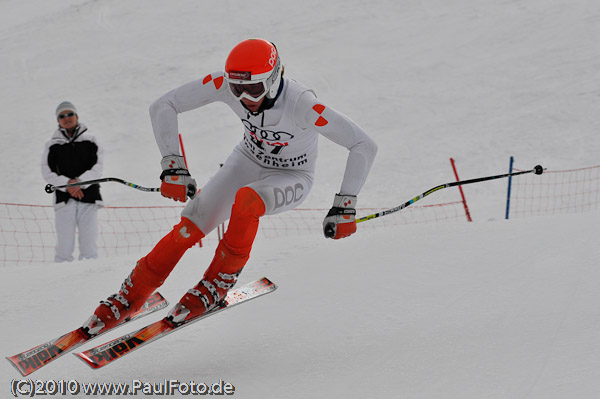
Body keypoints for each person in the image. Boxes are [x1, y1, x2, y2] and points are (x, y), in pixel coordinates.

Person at [84, 38, 377, 333]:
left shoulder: (303, 105)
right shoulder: (226, 84)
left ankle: (218, 281)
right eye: (237, 90)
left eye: (254, 89)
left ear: (274, 79)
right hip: (247, 160)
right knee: (190, 225)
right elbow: (164, 105)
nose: (245, 97)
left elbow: (363, 144)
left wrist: (345, 205)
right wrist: (173, 165)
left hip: (292, 175)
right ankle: (131, 295)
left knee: (247, 201)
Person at [42, 101, 104, 262]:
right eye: (62, 116)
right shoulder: (52, 145)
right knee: (64, 244)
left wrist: (79, 183)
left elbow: (97, 168)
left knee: (89, 243)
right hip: (64, 199)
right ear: (58, 120)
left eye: (70, 114)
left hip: (89, 197)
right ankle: (61, 279)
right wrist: (68, 185)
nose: (66, 118)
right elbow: (47, 171)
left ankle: (90, 276)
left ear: (76, 116)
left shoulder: (91, 140)